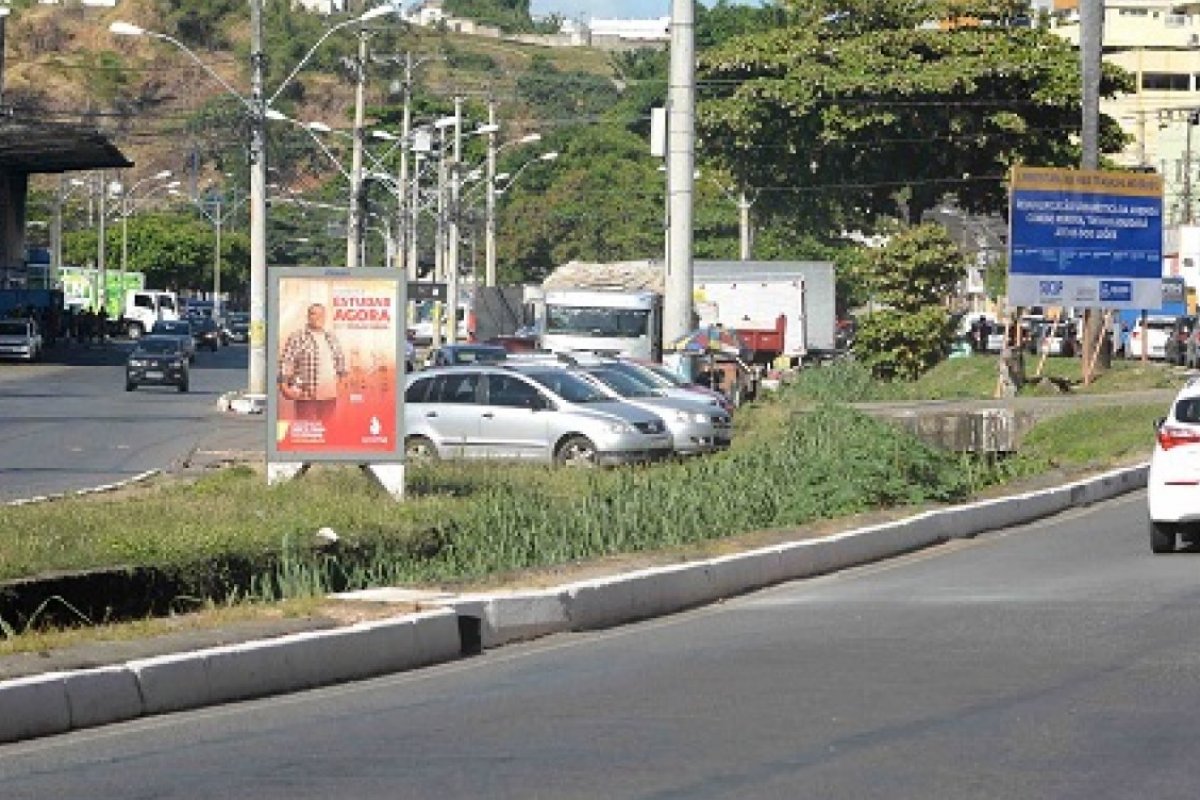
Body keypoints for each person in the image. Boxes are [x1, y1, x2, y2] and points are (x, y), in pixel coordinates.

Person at [277, 302, 348, 423]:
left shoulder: (331, 337)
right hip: (307, 395)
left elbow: (340, 361)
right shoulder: (298, 337)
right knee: (307, 432)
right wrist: (284, 387)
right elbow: (287, 362)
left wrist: (342, 382)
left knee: (328, 431)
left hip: (330, 395)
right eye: (314, 314)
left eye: (322, 315)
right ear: (308, 316)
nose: (318, 317)